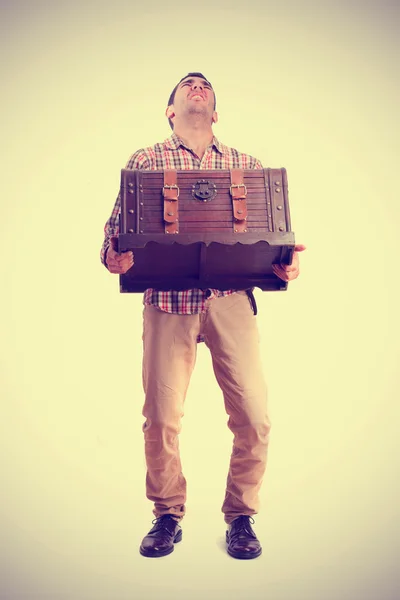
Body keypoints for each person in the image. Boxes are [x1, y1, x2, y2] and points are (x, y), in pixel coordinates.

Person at [101, 73, 306, 560]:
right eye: (186, 85)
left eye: (205, 86)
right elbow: (112, 233)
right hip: (167, 303)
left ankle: (241, 517)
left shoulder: (246, 165)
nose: (197, 86)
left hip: (232, 300)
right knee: (161, 418)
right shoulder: (146, 160)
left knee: (255, 417)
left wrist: (287, 263)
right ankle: (167, 513)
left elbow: (274, 238)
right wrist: (112, 257)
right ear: (170, 110)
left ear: (215, 112)